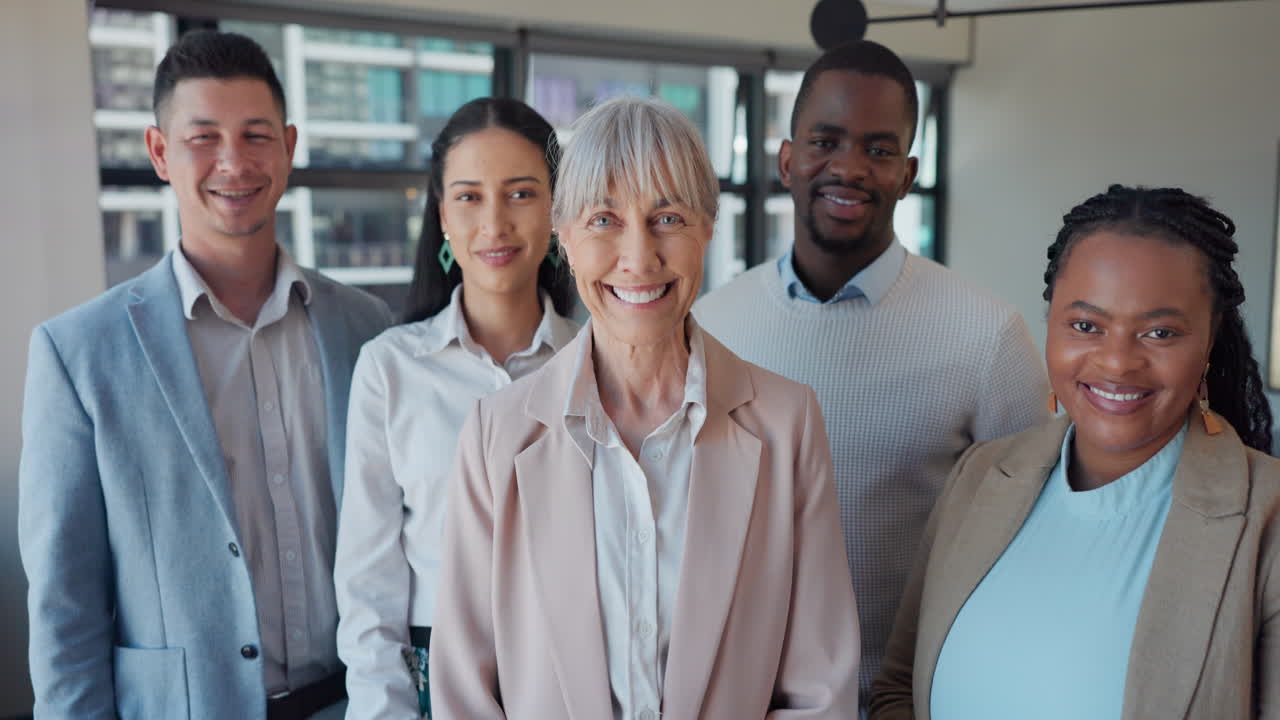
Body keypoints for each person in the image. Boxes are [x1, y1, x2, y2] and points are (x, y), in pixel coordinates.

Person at [428, 96, 860, 719]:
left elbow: (820, 691)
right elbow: (464, 694)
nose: (639, 257)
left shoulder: (787, 424)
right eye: (604, 220)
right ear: (565, 237)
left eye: (668, 218)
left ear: (708, 227)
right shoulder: (497, 434)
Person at [18, 30, 392, 719]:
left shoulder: (368, 328)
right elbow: (64, 609)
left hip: (358, 705)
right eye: (203, 138)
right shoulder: (78, 354)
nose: (234, 162)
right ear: (159, 153)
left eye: (256, 135)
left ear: (289, 146)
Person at [694, 40, 1048, 711]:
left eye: (879, 150)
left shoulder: (986, 336)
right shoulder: (712, 325)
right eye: (826, 140)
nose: (850, 167)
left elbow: (1030, 546)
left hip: (915, 701)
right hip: (745, 699)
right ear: (787, 157)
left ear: (910, 172)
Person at [871, 185, 1280, 720]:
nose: (1116, 362)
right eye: (1086, 325)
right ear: (1050, 322)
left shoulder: (1266, 521)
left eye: (1159, 332)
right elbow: (898, 689)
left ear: (1208, 341)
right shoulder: (980, 477)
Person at [334, 97, 578, 720]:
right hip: (428, 689)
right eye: (469, 197)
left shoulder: (597, 363)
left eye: (521, 193)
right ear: (442, 214)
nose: (494, 223)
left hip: (578, 679)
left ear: (556, 209)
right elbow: (368, 592)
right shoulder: (390, 370)